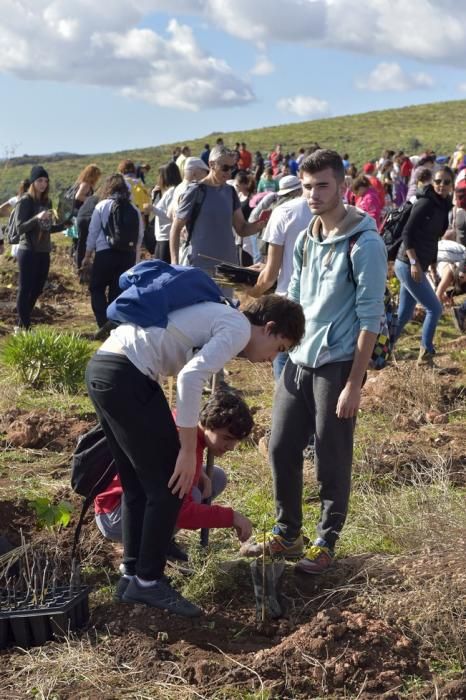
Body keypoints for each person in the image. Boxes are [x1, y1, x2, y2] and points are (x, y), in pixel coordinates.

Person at [85, 291, 305, 616]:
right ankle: (148, 581)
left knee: (137, 484)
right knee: (169, 486)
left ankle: (132, 576)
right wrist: (188, 452)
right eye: (279, 348)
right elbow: (189, 378)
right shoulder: (238, 328)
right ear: (269, 328)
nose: (272, 358)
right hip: (127, 374)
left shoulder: (223, 317)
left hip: (106, 368)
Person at [241, 149, 386, 575]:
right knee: (281, 446)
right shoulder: (305, 238)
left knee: (331, 455)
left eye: (322, 185)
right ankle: (288, 533)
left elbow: (370, 316)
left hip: (338, 363)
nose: (314, 194)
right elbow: (297, 301)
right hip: (298, 359)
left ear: (342, 185)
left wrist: (354, 384)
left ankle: (326, 541)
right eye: (307, 187)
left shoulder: (365, 243)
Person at [94, 391, 254, 553]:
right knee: (193, 496)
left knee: (217, 477)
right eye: (226, 438)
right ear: (208, 423)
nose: (231, 447)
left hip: (132, 497)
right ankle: (149, 549)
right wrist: (231, 517)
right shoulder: (179, 445)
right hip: (115, 516)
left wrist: (200, 473)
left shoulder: (186, 423)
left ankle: (160, 537)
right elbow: (182, 514)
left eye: (236, 441)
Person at [246, 175, 311, 379]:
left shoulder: (283, 212)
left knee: (284, 371)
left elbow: (270, 274)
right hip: (324, 304)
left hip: (289, 303)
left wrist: (252, 292)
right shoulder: (334, 211)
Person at [169, 146, 265, 277]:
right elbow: (176, 228)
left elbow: (241, 229)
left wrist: (262, 224)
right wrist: (174, 263)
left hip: (228, 267)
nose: (229, 172)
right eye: (225, 168)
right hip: (200, 266)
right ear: (211, 164)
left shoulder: (230, 192)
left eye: (232, 168)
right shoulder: (195, 191)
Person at [394, 166, 453, 366]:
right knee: (435, 309)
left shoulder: (444, 204)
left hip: (419, 264)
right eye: (437, 181)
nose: (441, 185)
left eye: (446, 182)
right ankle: (426, 357)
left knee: (403, 314)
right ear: (432, 182)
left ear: (452, 185)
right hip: (408, 263)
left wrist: (433, 267)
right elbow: (407, 233)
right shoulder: (426, 203)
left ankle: (381, 351)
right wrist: (414, 263)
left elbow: (433, 239)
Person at [82, 174, 144, 337]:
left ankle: (103, 323)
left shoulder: (102, 206)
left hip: (105, 254)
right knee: (117, 292)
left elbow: (93, 232)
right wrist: (136, 260)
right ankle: (114, 325)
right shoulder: (134, 209)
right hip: (127, 256)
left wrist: (87, 255)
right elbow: (139, 236)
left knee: (97, 288)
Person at [15, 166, 70, 330]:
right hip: (28, 251)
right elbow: (19, 228)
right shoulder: (25, 201)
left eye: (46, 181)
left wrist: (63, 226)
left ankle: (22, 323)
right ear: (33, 182)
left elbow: (47, 228)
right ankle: (25, 326)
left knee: (38, 288)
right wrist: (36, 218)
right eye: (39, 180)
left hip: (44, 251)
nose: (43, 184)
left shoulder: (47, 202)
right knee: (25, 288)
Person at [147, 162, 182, 263]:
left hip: (166, 237)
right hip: (161, 236)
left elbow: (169, 215)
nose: (158, 178)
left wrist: (152, 208)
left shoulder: (173, 192)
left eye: (160, 175)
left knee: (163, 271)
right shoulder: (167, 192)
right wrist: (154, 197)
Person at [0, 178, 31, 258]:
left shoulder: (16, 199)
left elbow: (1, 208)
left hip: (18, 233)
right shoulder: (33, 200)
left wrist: (11, 215)